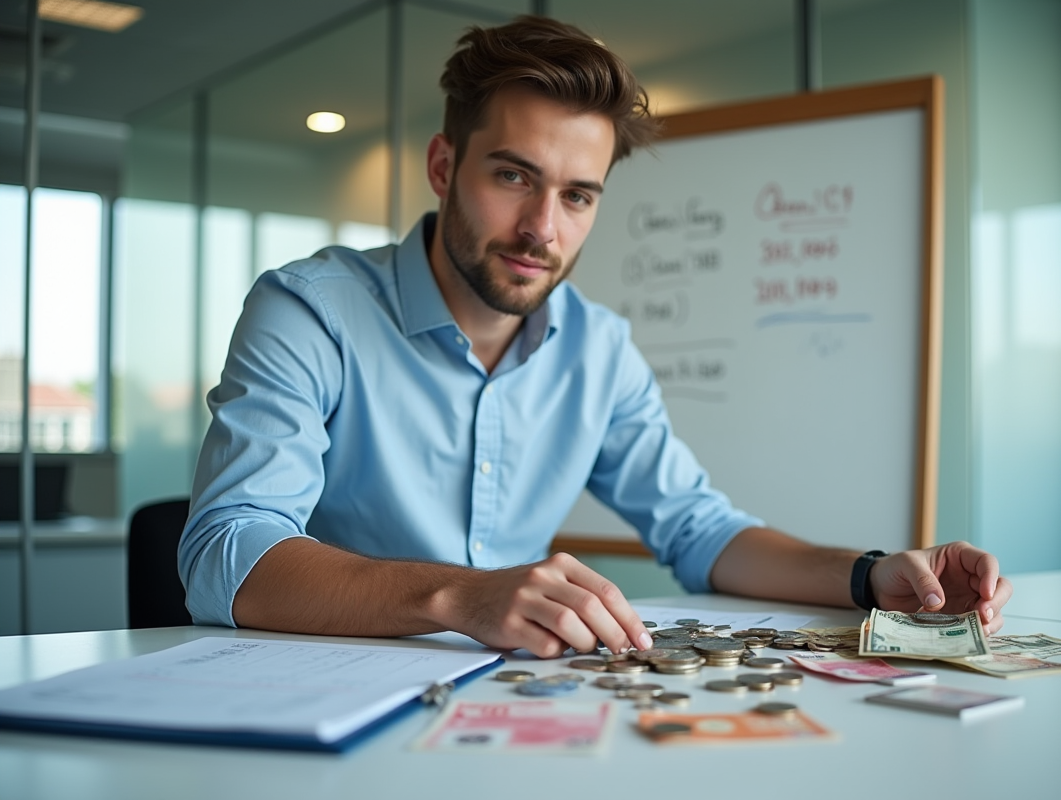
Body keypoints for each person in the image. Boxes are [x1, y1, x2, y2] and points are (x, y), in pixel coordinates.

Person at [180, 15, 1012, 658]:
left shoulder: (597, 348)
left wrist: (870, 576)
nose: (542, 227)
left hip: (512, 708)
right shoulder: (309, 310)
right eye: (514, 176)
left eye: (578, 196)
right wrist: (465, 597)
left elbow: (699, 531)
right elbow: (229, 551)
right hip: (319, 698)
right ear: (443, 167)